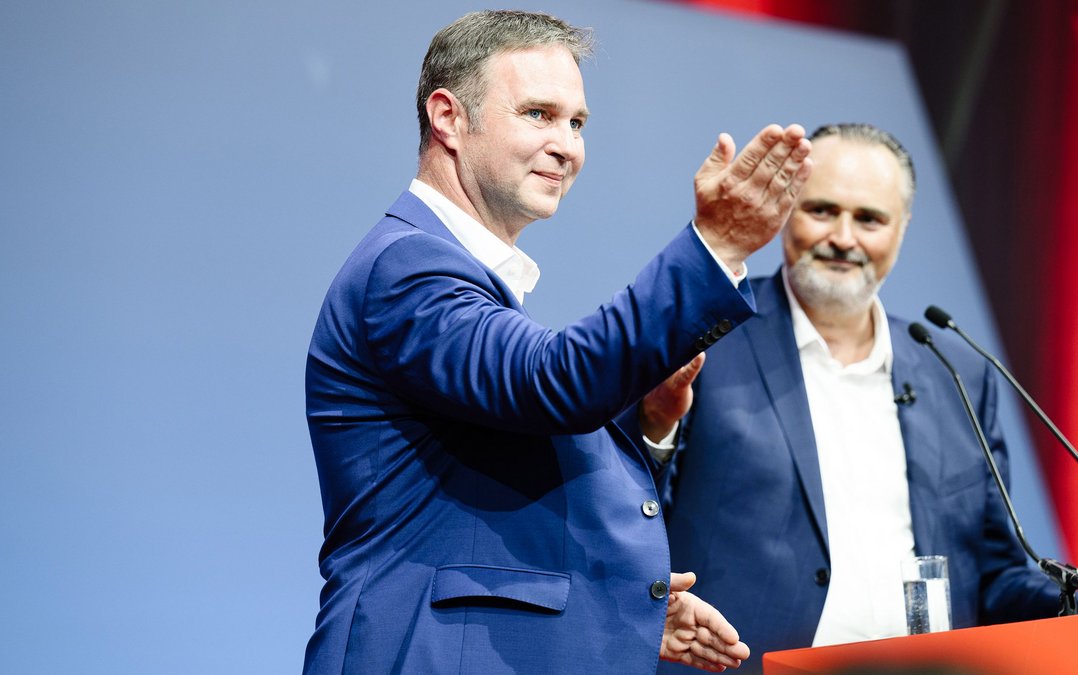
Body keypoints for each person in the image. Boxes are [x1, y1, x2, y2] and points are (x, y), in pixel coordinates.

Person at [303, 10, 814, 674]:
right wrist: (714, 249)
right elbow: (552, 385)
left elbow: (503, 479)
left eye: (577, 123)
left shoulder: (455, 278)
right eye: (539, 115)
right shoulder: (407, 269)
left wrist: (651, 430)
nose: (567, 146)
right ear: (448, 116)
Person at [654, 123, 1078, 673]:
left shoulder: (956, 371)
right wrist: (655, 422)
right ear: (786, 210)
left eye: (869, 219)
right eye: (822, 210)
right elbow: (634, 511)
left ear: (902, 228)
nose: (844, 237)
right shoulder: (706, 340)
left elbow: (994, 571)